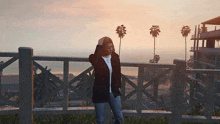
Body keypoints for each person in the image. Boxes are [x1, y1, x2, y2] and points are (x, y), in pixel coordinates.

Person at [89, 36, 123, 124]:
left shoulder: (115, 57)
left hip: (114, 92)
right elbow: (93, 57)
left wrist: (118, 85)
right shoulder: (96, 59)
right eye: (108, 47)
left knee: (119, 118)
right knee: (100, 120)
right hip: (100, 93)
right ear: (102, 47)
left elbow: (118, 73)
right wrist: (99, 44)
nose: (111, 49)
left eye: (112, 46)